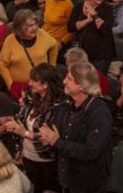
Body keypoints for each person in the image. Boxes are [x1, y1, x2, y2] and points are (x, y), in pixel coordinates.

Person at [42, 61, 112, 193]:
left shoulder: (99, 112)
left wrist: (57, 142)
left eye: (69, 78)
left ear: (82, 86)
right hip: (67, 179)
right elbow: (55, 135)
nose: (64, 82)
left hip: (88, 185)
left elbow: (91, 151)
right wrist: (47, 137)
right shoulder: (66, 105)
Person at [2, 63, 62, 193]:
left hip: (47, 161)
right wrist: (15, 125)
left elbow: (50, 136)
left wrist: (25, 133)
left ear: (46, 84)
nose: (30, 83)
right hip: (28, 157)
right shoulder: (31, 99)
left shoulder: (58, 107)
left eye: (34, 80)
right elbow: (22, 120)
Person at [0, 9, 58, 99]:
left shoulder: (42, 35)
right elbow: (2, 64)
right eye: (30, 25)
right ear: (20, 27)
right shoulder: (10, 40)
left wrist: (51, 67)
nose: (34, 28)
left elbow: (54, 45)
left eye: (35, 24)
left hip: (40, 88)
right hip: (20, 91)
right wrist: (11, 85)